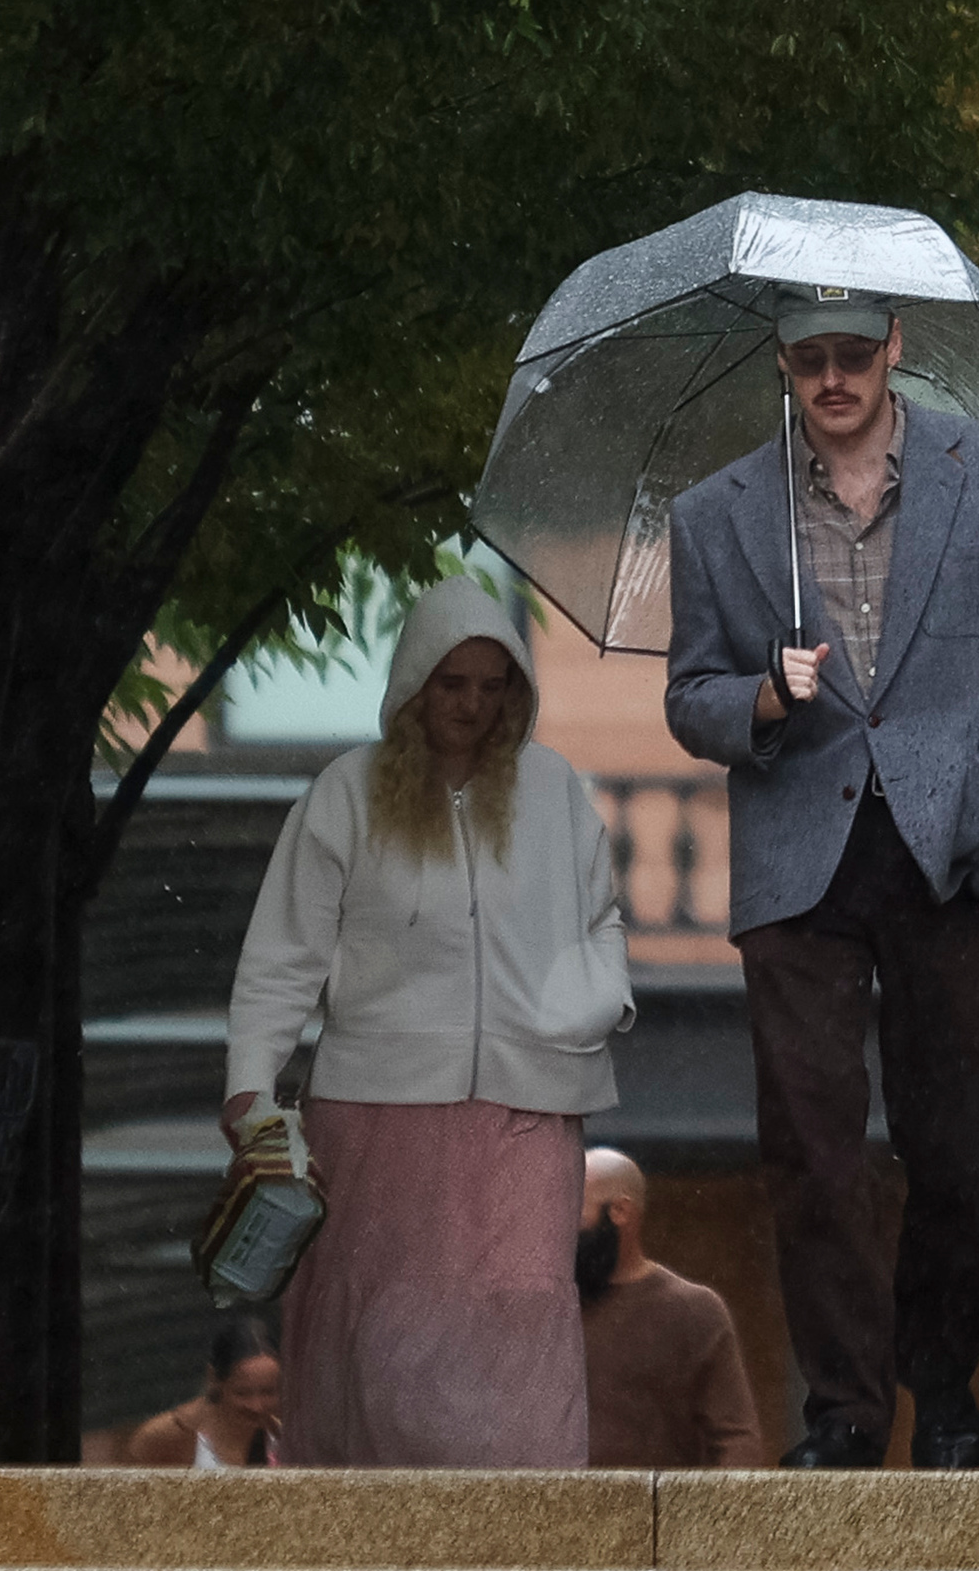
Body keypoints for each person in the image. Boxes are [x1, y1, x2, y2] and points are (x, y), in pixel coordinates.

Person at [666, 283, 979, 1469]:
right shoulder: (717, 512)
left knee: (956, 1147)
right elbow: (687, 695)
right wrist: (761, 695)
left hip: (951, 840)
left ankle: (943, 1384)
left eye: (856, 353)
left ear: (898, 347)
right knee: (811, 1147)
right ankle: (847, 1412)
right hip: (798, 854)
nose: (834, 378)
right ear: (782, 364)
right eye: (809, 359)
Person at [221, 575, 635, 1467]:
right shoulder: (347, 793)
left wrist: (595, 1000)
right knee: (390, 1337)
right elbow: (282, 955)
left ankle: (524, 1537)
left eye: (494, 687)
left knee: (523, 1310)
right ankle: (390, 1549)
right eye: (453, 685)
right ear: (414, 683)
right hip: (377, 1113)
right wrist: (250, 1089)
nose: (474, 706)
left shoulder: (554, 790)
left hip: (533, 1103)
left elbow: (602, 915)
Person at [576, 1148, 764, 1468]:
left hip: (659, 1511)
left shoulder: (690, 1309)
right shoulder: (551, 1311)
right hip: (552, 1510)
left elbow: (737, 1441)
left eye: (574, 1213)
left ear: (619, 1211)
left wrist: (719, 1515)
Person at [123, 1318, 280, 1468]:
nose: (257, 1406)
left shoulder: (281, 1436)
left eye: (268, 1392)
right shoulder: (167, 1437)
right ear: (215, 1379)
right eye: (242, 1393)